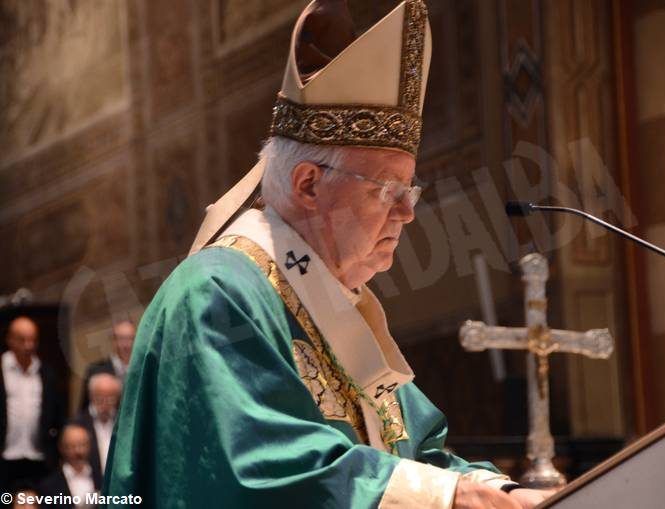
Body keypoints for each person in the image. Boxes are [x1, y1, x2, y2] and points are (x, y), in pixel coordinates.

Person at [105, 1, 554, 507]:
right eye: (388, 191)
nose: (407, 213)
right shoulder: (218, 292)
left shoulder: (334, 306)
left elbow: (420, 455)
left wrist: (502, 490)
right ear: (309, 184)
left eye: (412, 192)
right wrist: (453, 498)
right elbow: (260, 469)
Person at [0, 316, 63, 493]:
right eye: (22, 340)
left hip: (38, 456)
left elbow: (57, 414)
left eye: (33, 340)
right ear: (10, 340)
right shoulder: (2, 368)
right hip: (5, 455)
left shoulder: (46, 373)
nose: (28, 345)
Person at [74, 373, 121, 484]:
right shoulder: (78, 424)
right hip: (88, 486)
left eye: (110, 399)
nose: (105, 404)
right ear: (91, 396)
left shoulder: (123, 424)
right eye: (100, 398)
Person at [39, 423, 100, 509]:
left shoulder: (102, 479)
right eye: (72, 446)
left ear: (90, 446)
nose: (78, 451)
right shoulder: (48, 486)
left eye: (82, 445)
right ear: (61, 447)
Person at [79, 320, 134, 410]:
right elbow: (85, 410)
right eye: (121, 338)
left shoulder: (143, 370)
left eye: (130, 338)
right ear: (113, 340)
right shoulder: (95, 371)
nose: (126, 344)